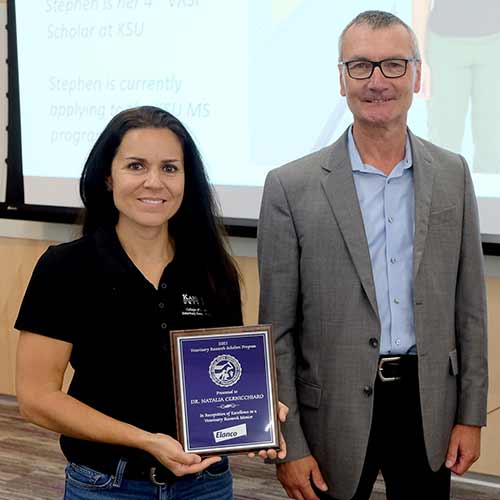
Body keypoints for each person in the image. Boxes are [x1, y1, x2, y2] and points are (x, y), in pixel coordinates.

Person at [258, 10, 487, 500]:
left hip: (429, 406)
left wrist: (471, 414)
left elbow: (470, 311)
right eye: (360, 66)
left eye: (394, 65)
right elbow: (276, 332)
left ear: (418, 75)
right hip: (330, 412)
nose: (377, 81)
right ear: (341, 80)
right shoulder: (290, 187)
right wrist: (288, 443)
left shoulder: (452, 173)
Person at [15, 106, 286, 500]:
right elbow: (37, 399)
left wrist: (257, 412)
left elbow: (220, 375)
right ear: (108, 176)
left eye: (170, 168)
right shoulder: (66, 267)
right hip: (107, 485)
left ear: (186, 179)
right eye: (136, 166)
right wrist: (147, 441)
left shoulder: (212, 270)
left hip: (205, 484)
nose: (154, 182)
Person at [413, 0, 500, 174]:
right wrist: (419, 56)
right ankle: (444, 200)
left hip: (494, 44)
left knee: (494, 148)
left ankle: (489, 201)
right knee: (444, 144)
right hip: (445, 45)